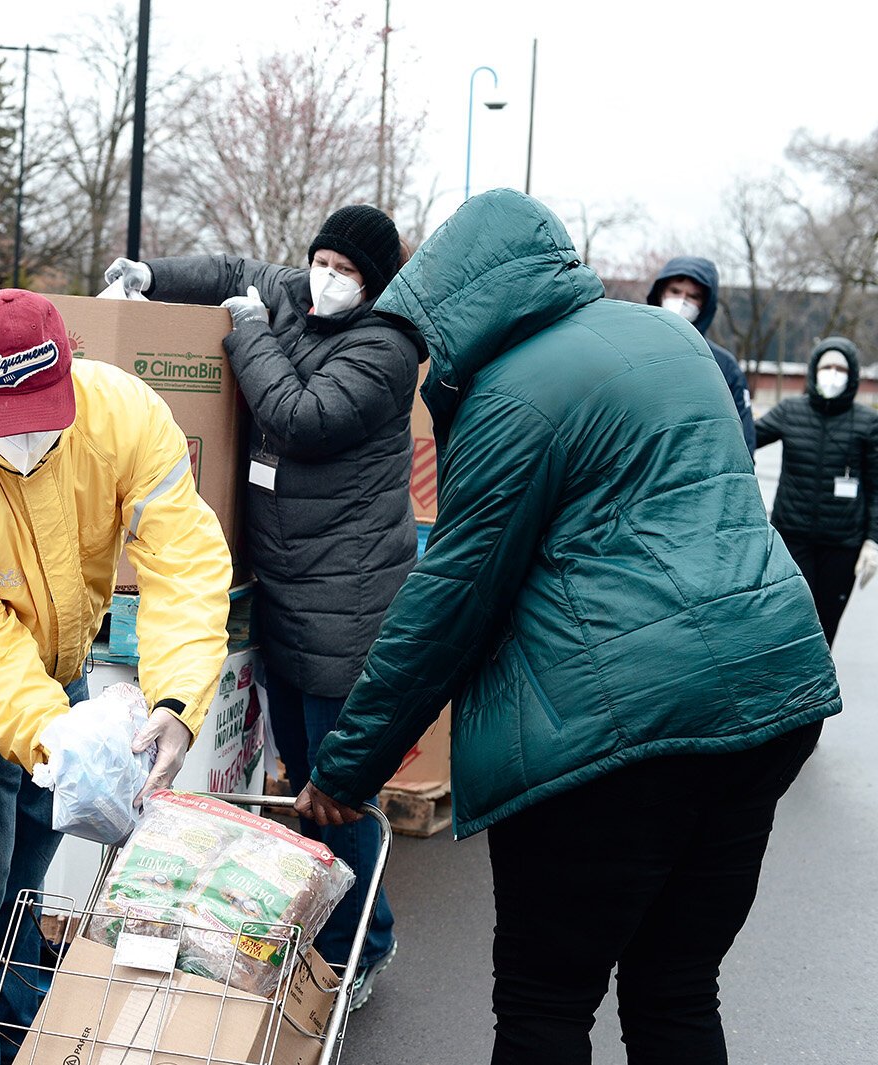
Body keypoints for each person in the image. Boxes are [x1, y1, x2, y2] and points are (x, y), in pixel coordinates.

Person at [294, 190, 840, 1065]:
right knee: (676, 987)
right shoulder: (672, 340)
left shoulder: (514, 396)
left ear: (468, 301)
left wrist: (346, 769)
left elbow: (452, 599)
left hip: (618, 728)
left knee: (547, 1000)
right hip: (769, 693)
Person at [0, 289, 233, 1065]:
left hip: (59, 666)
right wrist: (58, 733)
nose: (32, 439)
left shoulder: (124, 415)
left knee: (29, 871)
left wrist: (177, 700)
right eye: (9, 421)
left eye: (47, 412)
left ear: (70, 372)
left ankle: (19, 1032)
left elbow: (184, 564)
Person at [104, 204, 420, 1009]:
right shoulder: (290, 296)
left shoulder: (384, 350)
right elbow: (229, 272)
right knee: (299, 775)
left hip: (345, 604)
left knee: (338, 788)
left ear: (373, 284)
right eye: (320, 259)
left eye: (346, 271)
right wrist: (150, 275)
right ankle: (318, 929)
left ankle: (362, 949)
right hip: (285, 588)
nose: (326, 277)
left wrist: (246, 330)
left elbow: (298, 416)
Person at [754, 337, 878, 643]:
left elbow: (876, 488)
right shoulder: (789, 411)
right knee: (790, 622)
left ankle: (815, 690)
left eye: (840, 368)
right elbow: (745, 439)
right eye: (826, 366)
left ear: (852, 376)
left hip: (842, 546)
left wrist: (873, 541)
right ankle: (784, 688)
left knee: (824, 629)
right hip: (792, 539)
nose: (832, 373)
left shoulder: (868, 423)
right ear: (813, 370)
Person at [647, 256, 756, 450]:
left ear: (705, 305)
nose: (681, 301)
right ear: (660, 292)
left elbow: (742, 438)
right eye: (675, 291)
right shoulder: (634, 350)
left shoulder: (722, 365)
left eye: (693, 296)